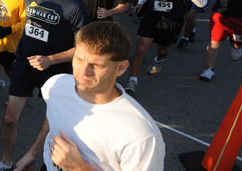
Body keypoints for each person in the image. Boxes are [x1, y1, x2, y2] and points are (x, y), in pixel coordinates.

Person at [0, 0, 88, 171]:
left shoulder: (75, 6)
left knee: (55, 123)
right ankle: (5, 162)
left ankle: (36, 159)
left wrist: (51, 59)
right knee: (10, 119)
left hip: (57, 71)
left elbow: (84, 48)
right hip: (24, 63)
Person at [15, 21, 165, 171]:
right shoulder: (57, 86)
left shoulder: (141, 135)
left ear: (121, 68)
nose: (83, 71)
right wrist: (33, 152)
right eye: (79, 59)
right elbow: (53, 115)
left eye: (97, 65)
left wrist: (79, 167)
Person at [126, 0, 208, 93]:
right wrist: (140, 2)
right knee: (141, 48)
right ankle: (132, 80)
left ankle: (158, 59)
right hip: (152, 16)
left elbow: (202, 3)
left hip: (172, 21)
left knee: (163, 50)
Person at [200, 0, 242, 81]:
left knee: (237, 43)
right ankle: (208, 69)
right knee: (214, 42)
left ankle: (236, 44)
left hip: (240, 17)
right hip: (221, 13)